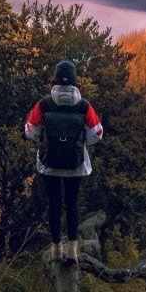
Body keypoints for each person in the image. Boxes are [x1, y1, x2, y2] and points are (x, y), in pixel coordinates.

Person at [24, 59, 103, 264]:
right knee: (72, 203)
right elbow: (97, 134)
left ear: (55, 79)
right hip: (75, 165)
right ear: (75, 81)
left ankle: (56, 249)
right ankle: (73, 252)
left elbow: (30, 130)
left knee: (54, 204)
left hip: (49, 164)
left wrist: (47, 139)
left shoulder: (44, 104)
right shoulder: (84, 105)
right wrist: (79, 142)